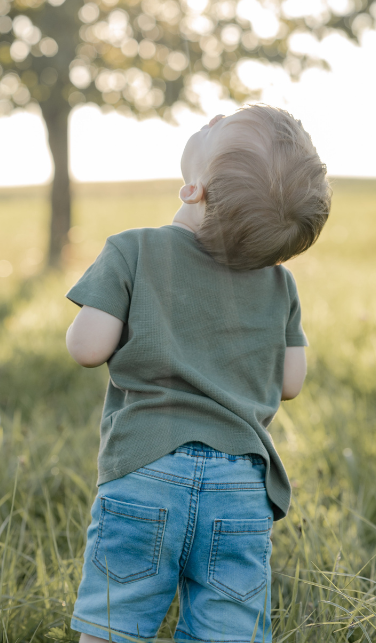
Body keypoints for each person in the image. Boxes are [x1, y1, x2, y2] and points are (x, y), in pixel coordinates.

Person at [64, 104, 331, 643]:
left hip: (145, 468)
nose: (210, 118)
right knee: (228, 629)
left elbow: (88, 348)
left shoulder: (135, 249)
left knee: (114, 623)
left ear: (194, 191)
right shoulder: (279, 286)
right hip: (240, 486)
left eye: (219, 128)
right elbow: (291, 382)